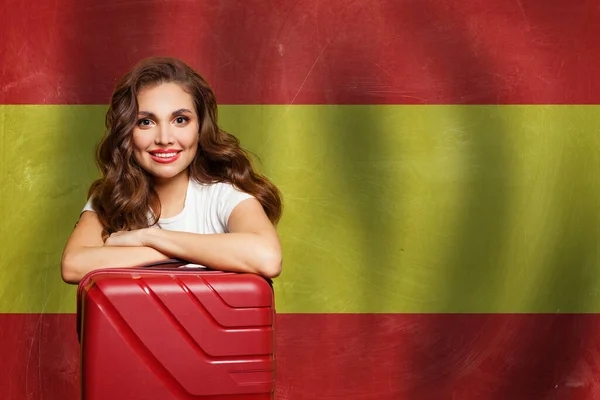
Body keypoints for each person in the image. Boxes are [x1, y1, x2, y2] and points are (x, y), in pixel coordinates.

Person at [61, 57, 283, 284]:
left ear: (200, 128)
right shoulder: (111, 197)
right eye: (146, 122)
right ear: (127, 132)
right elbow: (73, 266)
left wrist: (147, 237)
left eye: (180, 120)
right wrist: (192, 254)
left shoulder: (224, 196)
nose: (164, 139)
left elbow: (267, 257)